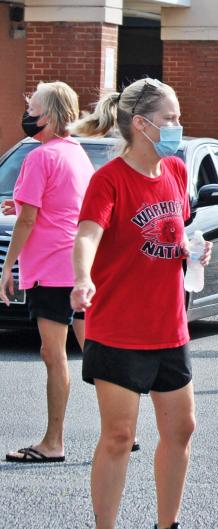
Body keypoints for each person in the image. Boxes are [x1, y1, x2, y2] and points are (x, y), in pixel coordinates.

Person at [70, 77, 210, 529]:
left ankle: (166, 524)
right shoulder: (108, 180)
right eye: (170, 118)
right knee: (118, 436)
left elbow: (176, 231)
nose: (178, 126)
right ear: (141, 124)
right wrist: (82, 277)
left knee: (181, 430)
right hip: (119, 329)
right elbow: (88, 232)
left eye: (178, 117)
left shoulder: (176, 173)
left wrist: (194, 248)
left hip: (169, 328)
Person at [1, 82, 93, 464]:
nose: (28, 114)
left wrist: (8, 268)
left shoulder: (39, 157)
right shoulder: (77, 154)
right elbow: (61, 205)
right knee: (95, 351)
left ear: (50, 116)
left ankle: (53, 442)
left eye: (33, 108)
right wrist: (19, 205)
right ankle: (125, 427)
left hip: (51, 271)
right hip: (80, 268)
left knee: (53, 355)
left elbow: (27, 221)